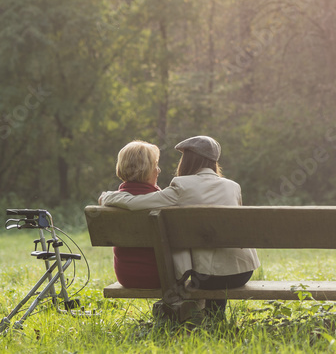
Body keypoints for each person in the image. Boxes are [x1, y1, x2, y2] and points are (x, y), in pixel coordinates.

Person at [99, 135, 259, 323]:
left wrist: (107, 197)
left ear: (187, 160)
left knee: (206, 265)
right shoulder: (233, 187)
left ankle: (202, 319)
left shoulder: (181, 186)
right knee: (218, 258)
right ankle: (216, 318)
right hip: (242, 272)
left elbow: (135, 202)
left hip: (206, 276)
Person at [110, 140, 162, 289]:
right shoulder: (161, 202)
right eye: (155, 165)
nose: (158, 170)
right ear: (147, 170)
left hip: (126, 277)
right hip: (160, 276)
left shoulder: (112, 201)